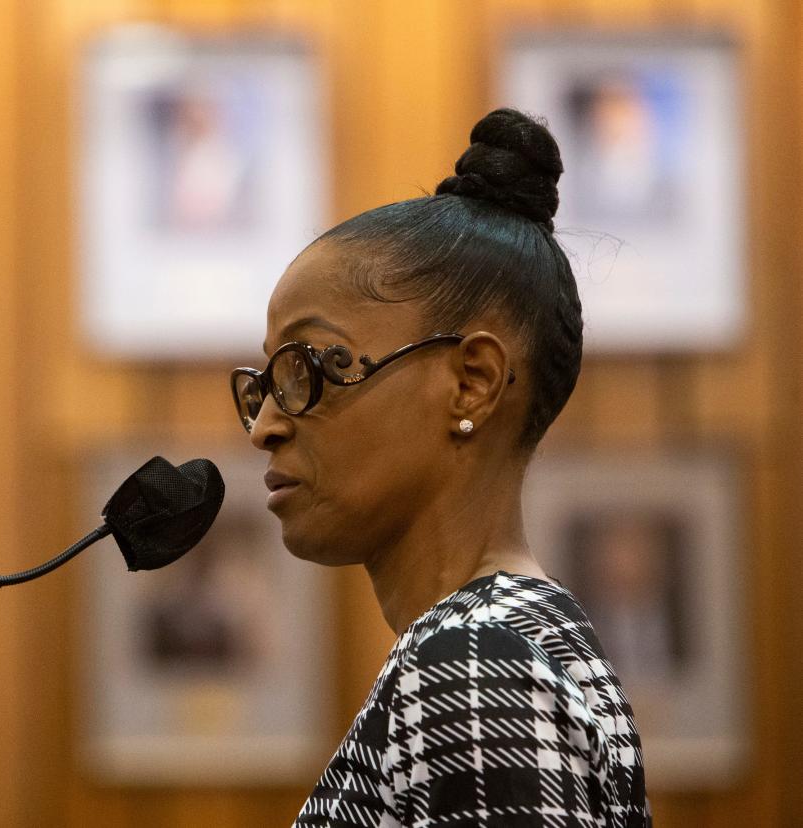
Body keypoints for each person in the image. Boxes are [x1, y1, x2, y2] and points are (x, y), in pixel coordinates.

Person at [230, 108, 650, 826]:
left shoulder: (478, 664)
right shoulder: (505, 639)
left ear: (472, 382)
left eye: (308, 368)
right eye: (263, 385)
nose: (266, 425)